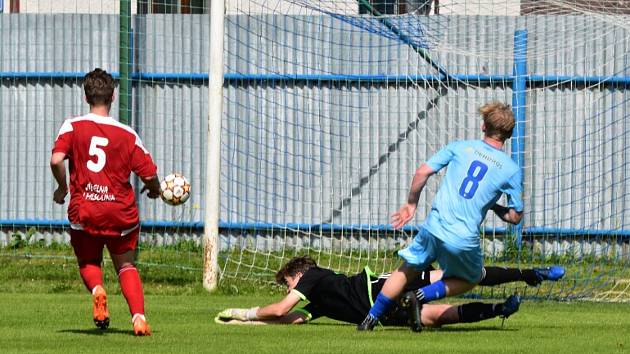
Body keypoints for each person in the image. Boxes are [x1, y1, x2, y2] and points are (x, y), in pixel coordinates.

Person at [359, 102, 525, 331]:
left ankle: (369, 320)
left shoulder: (460, 147)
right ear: (509, 134)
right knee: (472, 277)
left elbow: (422, 172)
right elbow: (515, 216)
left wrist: (410, 204)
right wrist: (493, 207)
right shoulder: (511, 169)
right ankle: (419, 295)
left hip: (433, 226)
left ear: (483, 126)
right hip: (462, 237)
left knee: (406, 269)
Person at [50, 68, 161, 336]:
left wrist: (62, 188)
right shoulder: (127, 134)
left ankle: (98, 289)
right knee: (125, 265)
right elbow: (148, 173)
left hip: (85, 209)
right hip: (119, 212)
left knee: (89, 262)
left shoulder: (73, 126)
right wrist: (155, 189)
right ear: (113, 95)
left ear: (86, 96)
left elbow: (56, 160)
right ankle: (138, 318)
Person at [216, 256, 564, 329]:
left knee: (458, 276)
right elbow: (289, 319)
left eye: (287, 283)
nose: (291, 289)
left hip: (384, 288)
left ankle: (530, 274)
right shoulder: (321, 301)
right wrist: (245, 324)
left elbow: (279, 309)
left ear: (297, 273)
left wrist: (245, 311)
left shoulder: (313, 277)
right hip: (381, 312)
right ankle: (500, 309)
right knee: (434, 317)